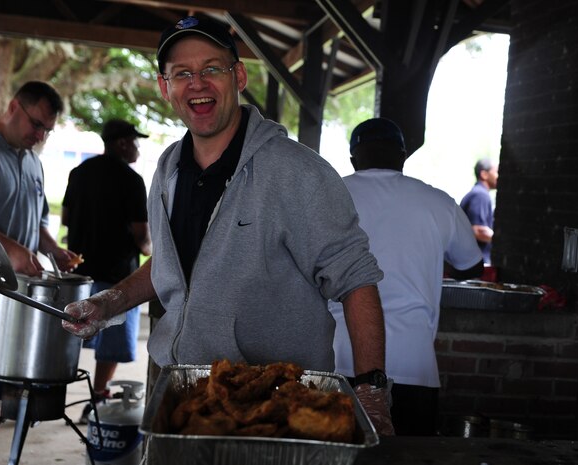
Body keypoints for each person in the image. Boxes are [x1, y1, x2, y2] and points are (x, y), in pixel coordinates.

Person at [61, 16, 394, 435]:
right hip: (182, 395)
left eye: (211, 69)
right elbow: (172, 265)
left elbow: (357, 282)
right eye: (182, 73)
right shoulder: (167, 169)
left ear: (238, 75)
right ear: (166, 89)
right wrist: (107, 304)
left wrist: (371, 393)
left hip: (276, 406)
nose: (197, 83)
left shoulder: (297, 173)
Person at [329, 117, 484, 435]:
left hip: (338, 359)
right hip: (415, 365)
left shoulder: (328, 197)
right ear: (402, 156)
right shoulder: (438, 202)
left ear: (353, 159)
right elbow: (472, 267)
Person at [0, 81, 80, 441]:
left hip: (12, 299)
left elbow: (38, 218)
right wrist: (11, 250)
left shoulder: (33, 162)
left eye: (47, 129)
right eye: (36, 124)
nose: (40, 135)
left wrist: (53, 249)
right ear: (14, 107)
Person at [61, 119, 152, 423]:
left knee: (70, 336)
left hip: (78, 274)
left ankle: (54, 396)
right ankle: (97, 399)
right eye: (135, 142)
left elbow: (66, 219)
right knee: (111, 347)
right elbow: (142, 239)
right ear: (123, 144)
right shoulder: (132, 180)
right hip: (117, 279)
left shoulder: (78, 173)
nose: (138, 147)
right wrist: (155, 253)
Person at [460, 158, 498, 264]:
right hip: (475, 262)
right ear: (484, 174)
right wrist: (502, 242)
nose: (499, 176)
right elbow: (478, 230)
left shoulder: (476, 193)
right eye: (496, 172)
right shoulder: (481, 195)